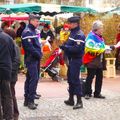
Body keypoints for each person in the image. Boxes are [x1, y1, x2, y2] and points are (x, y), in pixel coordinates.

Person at [60, 16, 85, 109]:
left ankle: (79, 101)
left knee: (75, 80)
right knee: (70, 79)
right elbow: (70, 44)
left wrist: (66, 48)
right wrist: (64, 45)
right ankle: (71, 99)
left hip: (76, 60)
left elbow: (77, 49)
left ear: (75, 24)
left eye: (70, 23)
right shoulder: (73, 33)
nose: (68, 25)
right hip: (71, 60)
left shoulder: (79, 34)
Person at [22, 14, 42, 110]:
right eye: (36, 21)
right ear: (31, 21)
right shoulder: (27, 32)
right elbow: (29, 48)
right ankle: (30, 101)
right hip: (31, 59)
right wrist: (39, 55)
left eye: (38, 21)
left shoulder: (33, 31)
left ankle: (27, 100)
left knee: (31, 78)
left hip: (35, 58)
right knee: (33, 79)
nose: (38, 23)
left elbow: (37, 44)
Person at [83, 20, 106, 100]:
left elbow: (102, 47)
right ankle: (87, 93)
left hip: (99, 61)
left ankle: (97, 93)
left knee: (100, 77)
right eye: (101, 28)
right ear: (96, 29)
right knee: (90, 77)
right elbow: (90, 48)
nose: (102, 30)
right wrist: (101, 49)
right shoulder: (90, 37)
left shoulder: (100, 37)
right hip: (91, 61)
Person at [4, 28, 20, 120]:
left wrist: (8, 73)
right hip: (8, 75)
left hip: (10, 76)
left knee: (10, 95)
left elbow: (16, 62)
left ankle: (14, 114)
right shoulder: (10, 45)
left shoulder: (14, 46)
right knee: (9, 95)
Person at [0, 27, 16, 119]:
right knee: (7, 95)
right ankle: (9, 117)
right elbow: (13, 55)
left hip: (5, 68)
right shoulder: (8, 38)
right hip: (6, 70)